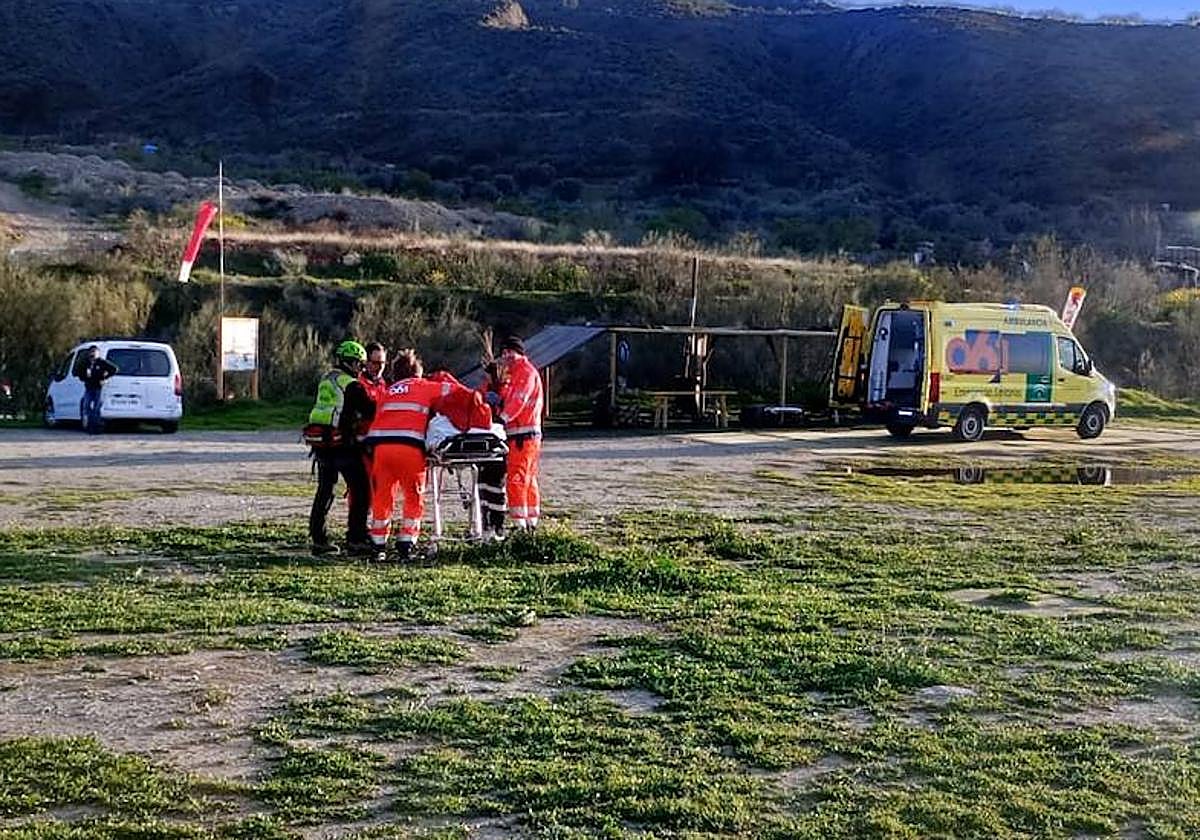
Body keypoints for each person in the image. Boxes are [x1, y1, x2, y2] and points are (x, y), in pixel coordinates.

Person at [365, 349, 487, 562]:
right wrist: (482, 398)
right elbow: (457, 392)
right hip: (409, 448)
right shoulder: (424, 386)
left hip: (381, 449)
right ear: (417, 373)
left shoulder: (388, 390)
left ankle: (378, 546)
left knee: (382, 498)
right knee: (413, 497)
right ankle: (406, 544)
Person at [305, 340, 375, 556]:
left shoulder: (327, 379)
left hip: (322, 443)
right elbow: (369, 410)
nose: (362, 369)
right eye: (361, 365)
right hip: (343, 443)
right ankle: (356, 539)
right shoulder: (352, 384)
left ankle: (319, 538)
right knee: (361, 490)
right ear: (352, 363)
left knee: (325, 490)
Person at [493, 335, 544, 530]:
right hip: (526, 435)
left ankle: (519, 524)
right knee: (527, 479)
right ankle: (531, 520)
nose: (506, 356)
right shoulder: (516, 373)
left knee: (516, 478)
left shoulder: (524, 372)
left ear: (519, 353)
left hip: (522, 435)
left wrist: (501, 419)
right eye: (503, 353)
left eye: (509, 352)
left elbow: (518, 401)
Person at [78, 346, 117, 434]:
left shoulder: (101, 362)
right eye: (91, 353)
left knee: (97, 407)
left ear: (98, 353)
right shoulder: (85, 363)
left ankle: (96, 428)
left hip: (98, 387)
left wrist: (105, 378)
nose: (92, 355)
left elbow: (114, 369)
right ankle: (90, 425)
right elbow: (79, 372)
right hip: (89, 387)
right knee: (86, 406)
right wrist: (84, 377)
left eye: (94, 353)